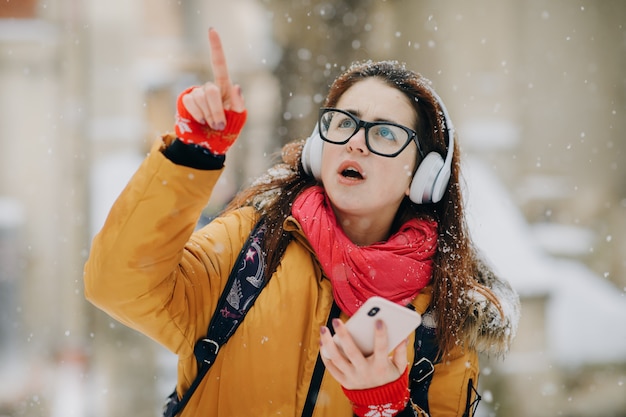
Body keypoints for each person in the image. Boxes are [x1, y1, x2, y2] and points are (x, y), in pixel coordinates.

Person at [84, 28, 520, 417]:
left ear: (424, 177)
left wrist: (385, 407)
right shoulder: (250, 248)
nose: (355, 142)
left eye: (385, 132)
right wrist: (191, 154)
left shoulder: (441, 317)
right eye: (343, 123)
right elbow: (117, 285)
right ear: (318, 148)